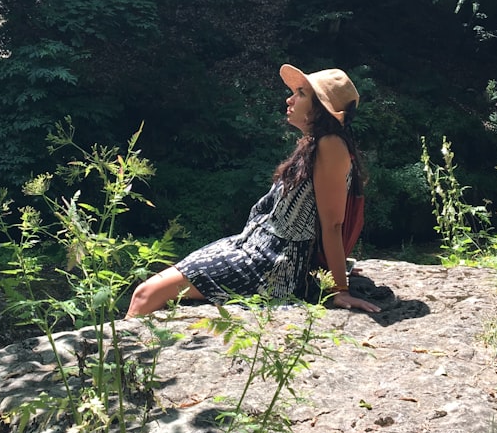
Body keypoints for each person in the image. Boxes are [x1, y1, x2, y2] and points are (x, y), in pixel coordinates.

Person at [126, 64, 381, 316]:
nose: (290, 98)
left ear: (322, 109)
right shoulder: (316, 144)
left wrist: (339, 288)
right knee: (150, 290)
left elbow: (333, 223)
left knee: (145, 293)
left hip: (271, 263)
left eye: (302, 94)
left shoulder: (331, 145)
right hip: (254, 248)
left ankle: (116, 356)